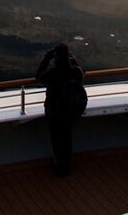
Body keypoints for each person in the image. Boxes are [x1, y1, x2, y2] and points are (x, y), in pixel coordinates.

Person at [36, 43, 86, 176]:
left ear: (56, 58)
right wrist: (72, 59)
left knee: (56, 139)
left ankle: (60, 167)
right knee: (67, 137)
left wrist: (46, 59)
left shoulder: (53, 74)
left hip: (56, 113)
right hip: (73, 110)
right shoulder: (76, 72)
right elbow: (83, 71)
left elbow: (39, 77)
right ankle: (66, 163)